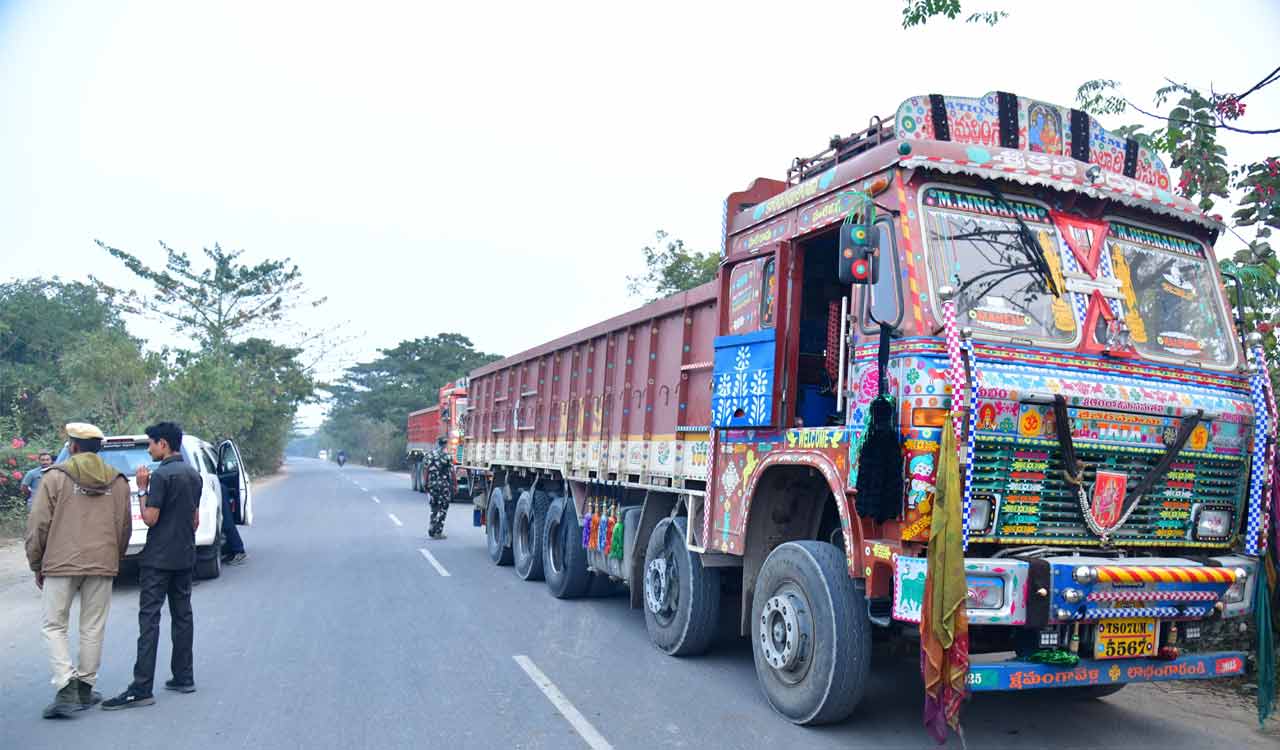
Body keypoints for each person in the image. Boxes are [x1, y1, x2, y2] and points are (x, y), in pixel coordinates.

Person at [25, 423, 131, 719]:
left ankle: (65, 686)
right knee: (93, 625)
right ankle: (85, 686)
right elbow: (124, 528)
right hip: (102, 562)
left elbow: (38, 525)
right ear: (99, 449)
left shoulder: (55, 477)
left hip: (60, 563)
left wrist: (37, 563)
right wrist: (114, 559)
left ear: (72, 447)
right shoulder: (118, 481)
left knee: (54, 625)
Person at [103, 422, 200, 710]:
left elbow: (150, 519)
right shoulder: (194, 475)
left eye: (151, 443)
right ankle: (184, 676)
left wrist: (142, 490)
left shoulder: (160, 477)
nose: (148, 449)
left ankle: (141, 687)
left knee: (149, 620)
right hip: (184, 556)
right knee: (182, 615)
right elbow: (194, 521)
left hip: (158, 559)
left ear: (164, 444)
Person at [424, 436, 452, 540]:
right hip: (443, 486)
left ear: (438, 443)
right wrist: (454, 485)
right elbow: (451, 472)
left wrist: (426, 483)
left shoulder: (430, 455)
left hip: (432, 485)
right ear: (445, 444)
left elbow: (426, 470)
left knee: (434, 507)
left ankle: (432, 527)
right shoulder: (447, 456)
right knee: (443, 509)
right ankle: (438, 532)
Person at [220, 488, 247, 566]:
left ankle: (239, 551)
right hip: (220, 490)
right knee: (226, 523)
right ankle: (233, 551)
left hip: (219, 491)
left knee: (227, 524)